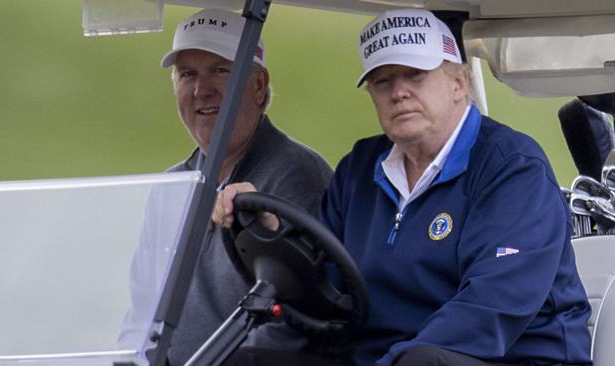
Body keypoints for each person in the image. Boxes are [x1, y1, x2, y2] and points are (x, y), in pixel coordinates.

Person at [214, 8, 592, 366]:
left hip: (509, 355)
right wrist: (272, 232)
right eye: (382, 81)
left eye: (415, 75)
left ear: (459, 83)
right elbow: (325, 285)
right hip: (395, 354)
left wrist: (392, 361)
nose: (399, 92)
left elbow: (493, 306)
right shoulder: (360, 168)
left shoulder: (512, 168)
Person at [117, 8, 333, 365]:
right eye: (188, 74)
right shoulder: (171, 187)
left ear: (259, 85)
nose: (202, 90)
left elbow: (299, 321)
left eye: (220, 71)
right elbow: (141, 314)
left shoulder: (297, 176)